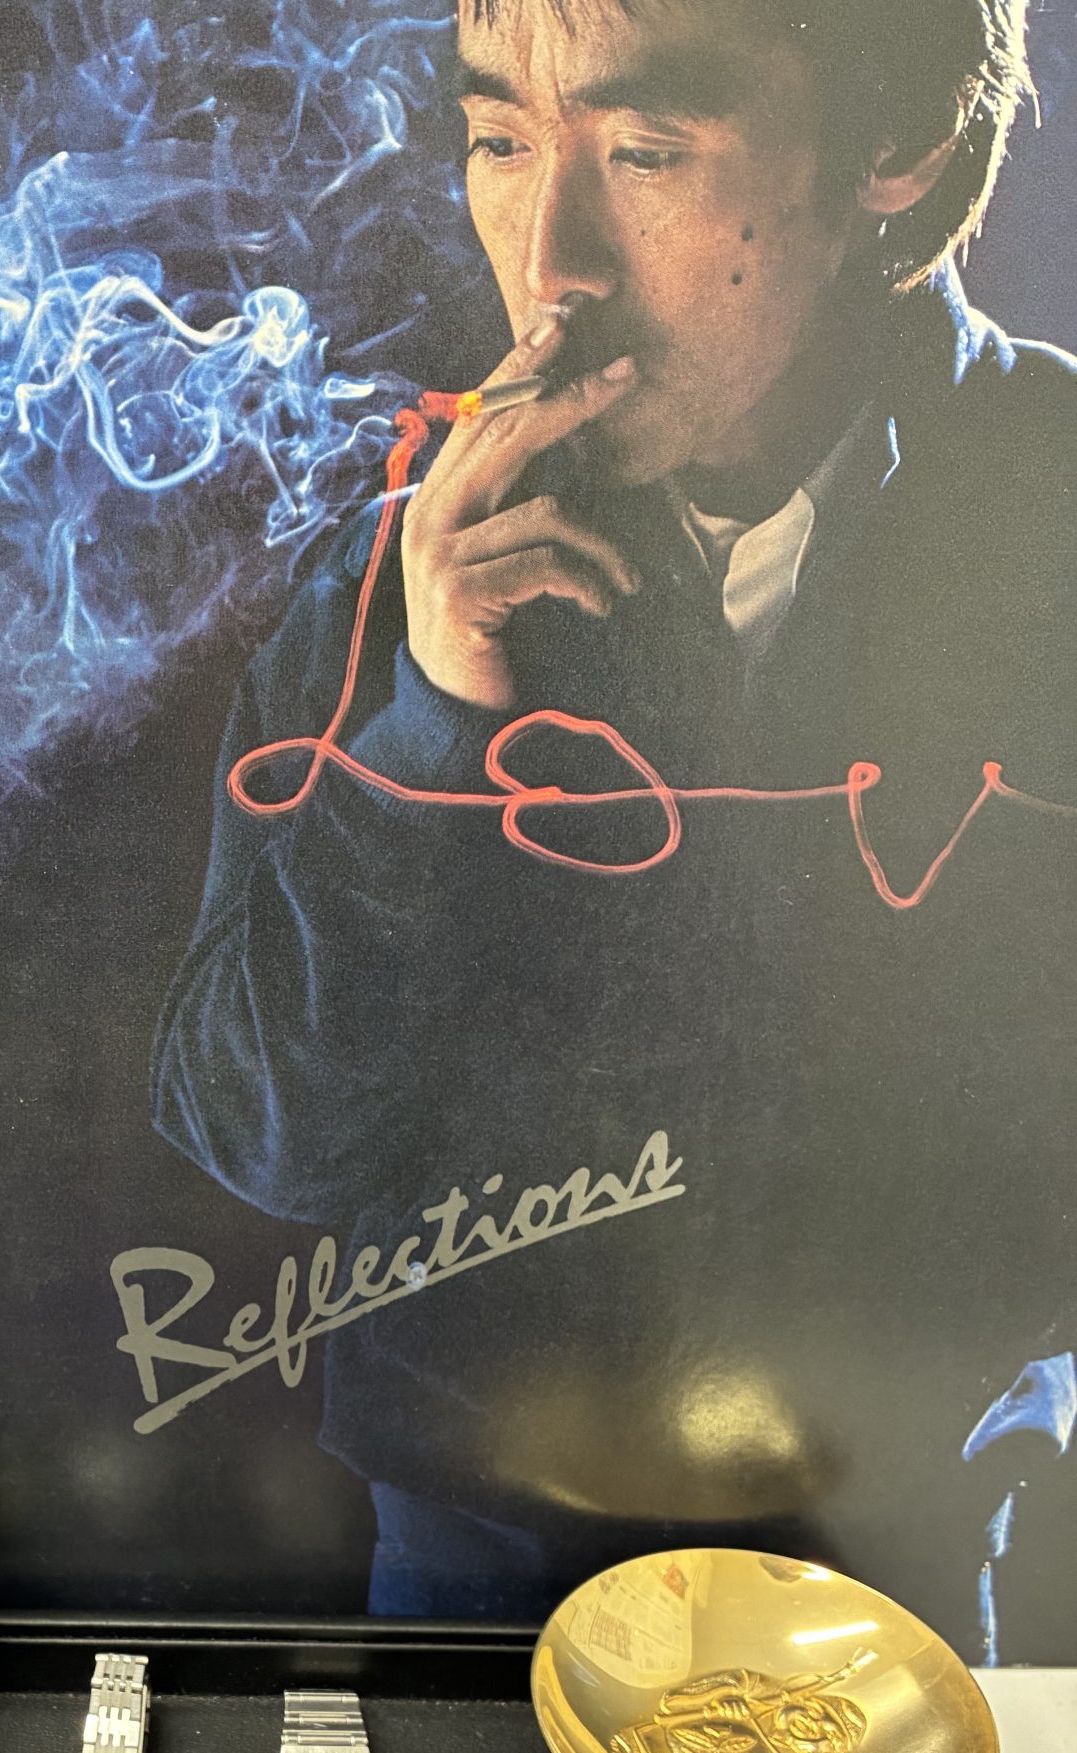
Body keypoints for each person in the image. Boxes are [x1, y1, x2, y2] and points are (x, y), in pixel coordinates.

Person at [152, 0, 1077, 1643]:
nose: (549, 263)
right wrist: (437, 709)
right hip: (473, 1588)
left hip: (906, 1581)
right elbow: (264, 1137)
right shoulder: (406, 569)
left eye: (646, 150)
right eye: (500, 140)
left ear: (901, 146)